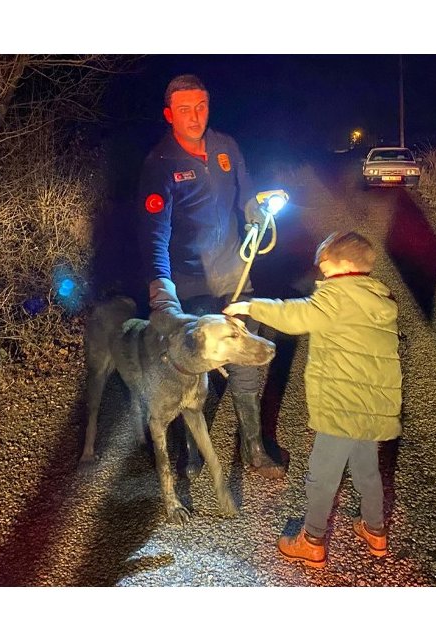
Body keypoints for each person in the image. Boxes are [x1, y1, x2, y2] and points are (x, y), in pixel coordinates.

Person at [223, 231, 402, 568]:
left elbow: (295, 315)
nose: (321, 270)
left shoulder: (337, 297)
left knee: (322, 474)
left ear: (345, 264)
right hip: (373, 404)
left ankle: (313, 539)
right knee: (366, 469)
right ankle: (375, 530)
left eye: (325, 263)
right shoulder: (378, 298)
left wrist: (249, 306)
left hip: (341, 404)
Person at [138, 73, 284, 479]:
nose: (194, 116)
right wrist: (160, 288)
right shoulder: (159, 165)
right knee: (189, 368)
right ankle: (188, 452)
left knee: (246, 362)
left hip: (236, 276)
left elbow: (246, 195)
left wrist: (258, 210)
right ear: (169, 114)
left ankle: (253, 448)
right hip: (189, 286)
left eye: (201, 106)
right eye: (185, 109)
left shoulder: (226, 148)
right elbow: (153, 235)